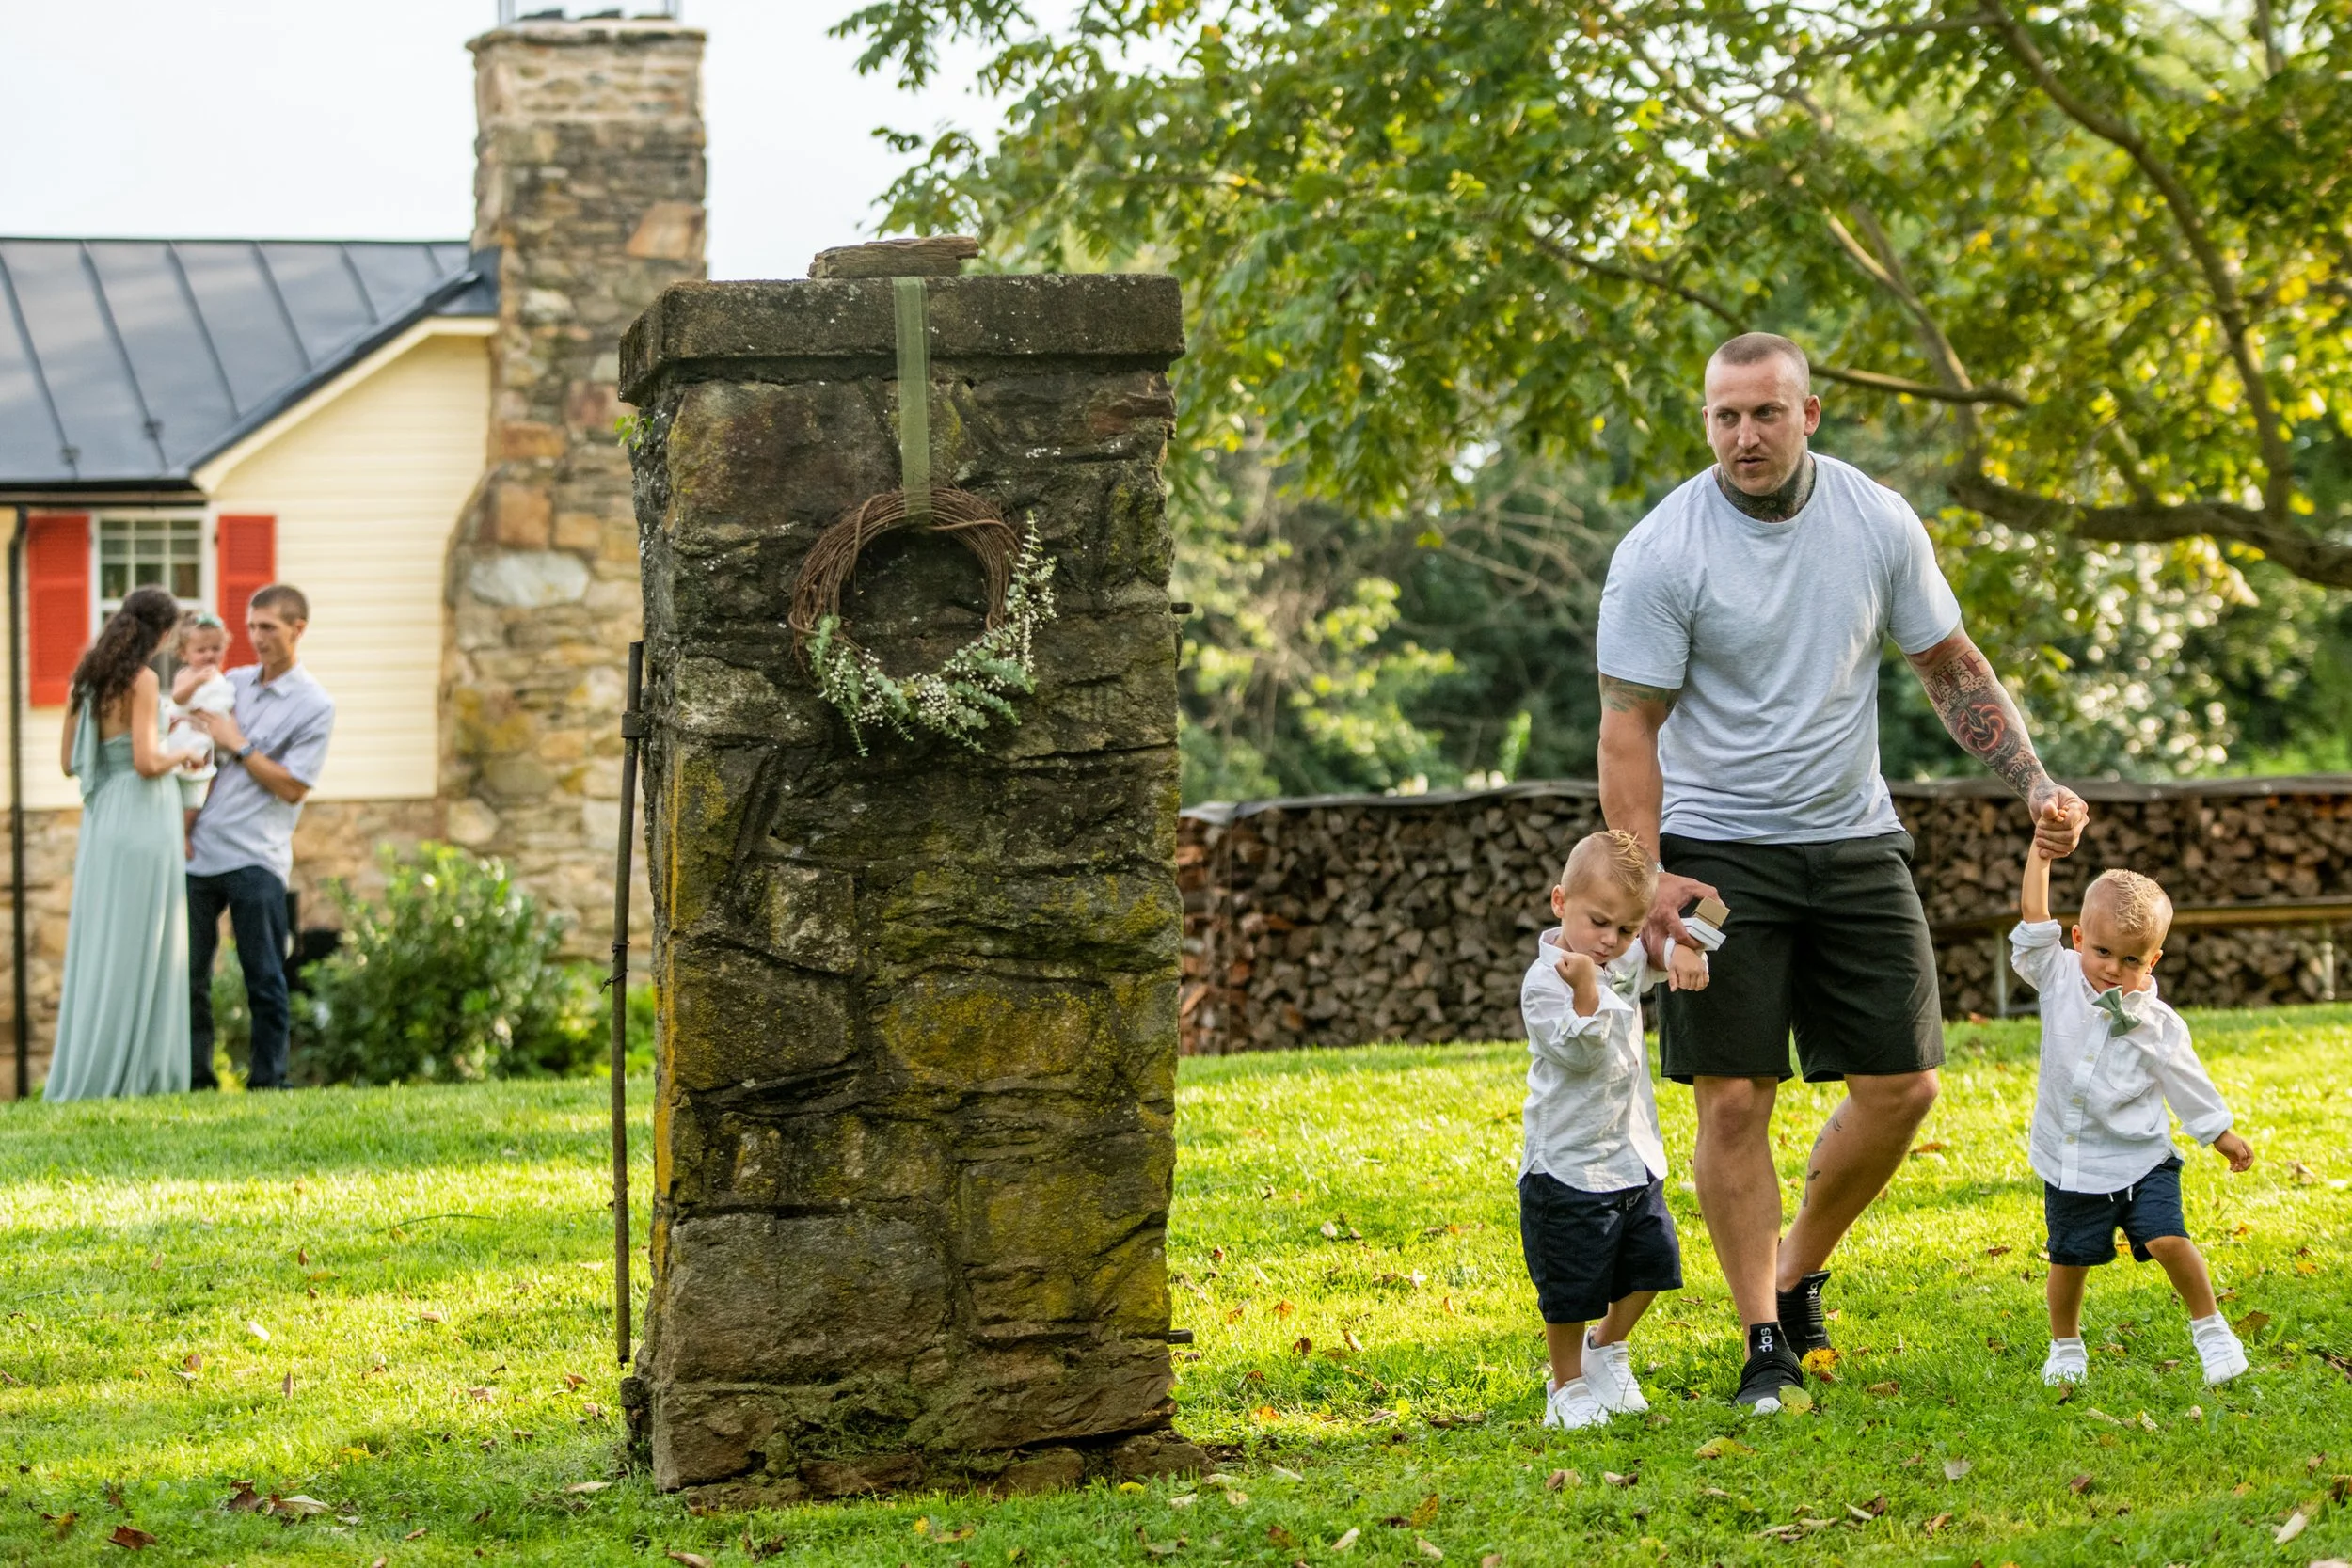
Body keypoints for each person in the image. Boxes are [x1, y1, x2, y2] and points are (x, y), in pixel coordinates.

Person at [1595, 332, 2090, 1411]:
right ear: (1707, 421)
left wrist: (2033, 780)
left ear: (1808, 413)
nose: (1744, 435)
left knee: (1904, 1083)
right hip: (1718, 849)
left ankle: (1795, 1270)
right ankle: (1761, 1339)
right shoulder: (1662, 549)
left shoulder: (1875, 519)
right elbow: (1628, 725)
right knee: (1735, 1097)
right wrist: (1646, 876)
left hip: (1853, 836)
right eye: (1724, 416)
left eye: (1765, 412)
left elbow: (1948, 663)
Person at [2014, 851, 2253, 1386]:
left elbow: (2186, 1081)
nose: (2111, 969)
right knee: (2069, 1259)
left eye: (2130, 960)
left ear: (2153, 960)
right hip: (2072, 1162)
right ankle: (2066, 1346)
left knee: (2168, 1239)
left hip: (2143, 1158)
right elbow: (2034, 918)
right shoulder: (2057, 977)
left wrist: (2219, 1133)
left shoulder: (2159, 1024)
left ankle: (2212, 1330)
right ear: (2078, 938)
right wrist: (2041, 853)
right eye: (2101, 952)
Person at [1518, 829, 1709, 1429]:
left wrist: (1685, 948)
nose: (1610, 941)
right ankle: (1566, 1386)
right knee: (1570, 1286)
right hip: (1567, 1163)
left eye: (1625, 929)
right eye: (1599, 923)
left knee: (1655, 1263)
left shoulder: (1618, 956)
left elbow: (1654, 953)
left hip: (1631, 1153)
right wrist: (1586, 990)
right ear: (1560, 902)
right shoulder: (1546, 983)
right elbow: (1579, 1054)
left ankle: (1606, 1347)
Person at [44, 587, 210, 1101]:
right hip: (143, 815)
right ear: (162, 633)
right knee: (147, 940)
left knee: (107, 941)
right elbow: (146, 761)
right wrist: (183, 754)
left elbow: (68, 763)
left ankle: (96, 1065)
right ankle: (142, 1071)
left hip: (104, 820)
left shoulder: (86, 680)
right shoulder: (143, 679)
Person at [186, 585, 335, 1091]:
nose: (256, 637)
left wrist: (240, 744)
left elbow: (293, 787)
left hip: (257, 857)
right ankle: (196, 1079)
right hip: (200, 852)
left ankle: (269, 1081)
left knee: (265, 976)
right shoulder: (232, 683)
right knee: (189, 978)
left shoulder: (315, 705)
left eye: (268, 627)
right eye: (251, 627)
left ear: (298, 629)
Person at [166, 609, 237, 844]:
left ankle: (190, 829)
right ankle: (182, 833)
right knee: (190, 783)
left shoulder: (221, 678)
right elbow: (178, 698)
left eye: (215, 649)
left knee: (206, 786)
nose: (209, 655)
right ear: (183, 653)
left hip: (210, 740)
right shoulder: (187, 674)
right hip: (187, 737)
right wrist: (196, 681)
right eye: (201, 650)